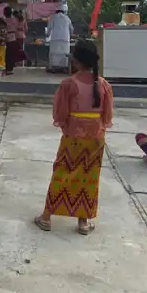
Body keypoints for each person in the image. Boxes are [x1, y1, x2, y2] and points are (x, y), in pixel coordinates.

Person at [36, 39, 113, 235]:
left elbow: (60, 113)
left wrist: (67, 126)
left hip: (74, 134)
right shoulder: (103, 84)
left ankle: (46, 217)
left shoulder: (69, 84)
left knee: (62, 172)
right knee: (89, 176)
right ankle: (83, 222)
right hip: (96, 136)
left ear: (76, 61)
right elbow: (107, 114)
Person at [46, 2, 71, 73]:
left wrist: (47, 35)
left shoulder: (53, 17)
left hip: (55, 38)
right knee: (64, 53)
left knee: (54, 53)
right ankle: (64, 68)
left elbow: (49, 28)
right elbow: (71, 29)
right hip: (65, 39)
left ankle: (53, 68)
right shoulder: (67, 18)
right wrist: (70, 35)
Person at [3, 6, 21, 74]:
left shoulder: (3, 20)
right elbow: (16, 29)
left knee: (6, 54)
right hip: (13, 38)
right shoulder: (15, 20)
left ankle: (5, 68)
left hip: (5, 38)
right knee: (11, 54)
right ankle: (9, 69)